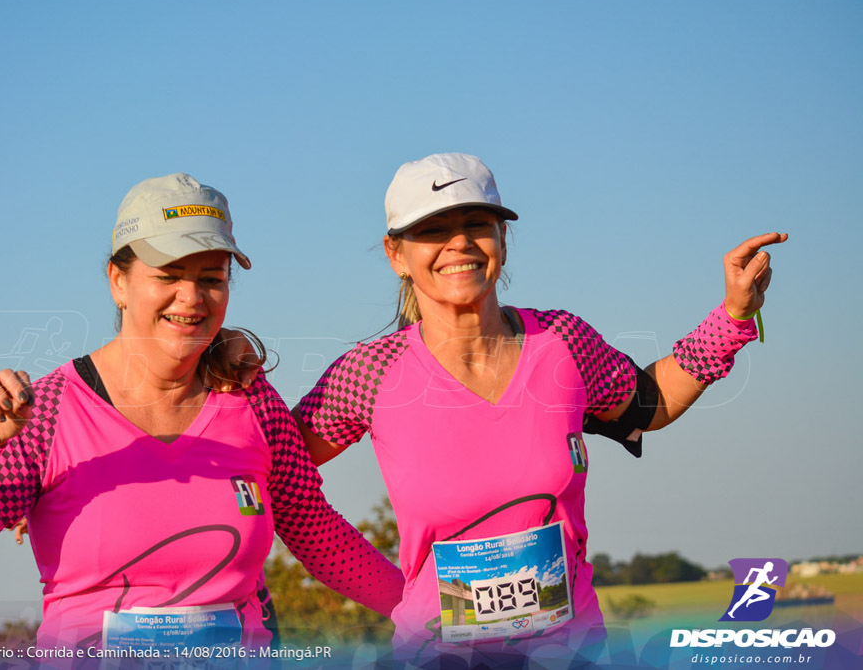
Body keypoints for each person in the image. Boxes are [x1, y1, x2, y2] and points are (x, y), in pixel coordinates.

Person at [293, 153, 787, 667]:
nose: (459, 243)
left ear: (503, 240)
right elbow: (275, 473)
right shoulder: (368, 374)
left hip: (574, 651)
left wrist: (732, 316)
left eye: (477, 224)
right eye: (433, 229)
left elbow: (649, 403)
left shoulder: (562, 342)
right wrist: (396, 595)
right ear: (397, 254)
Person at [0, 172, 404, 652]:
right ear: (119, 281)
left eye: (212, 278)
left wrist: (420, 614)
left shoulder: (251, 399)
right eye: (169, 275)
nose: (193, 297)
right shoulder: (47, 412)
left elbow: (318, 534)